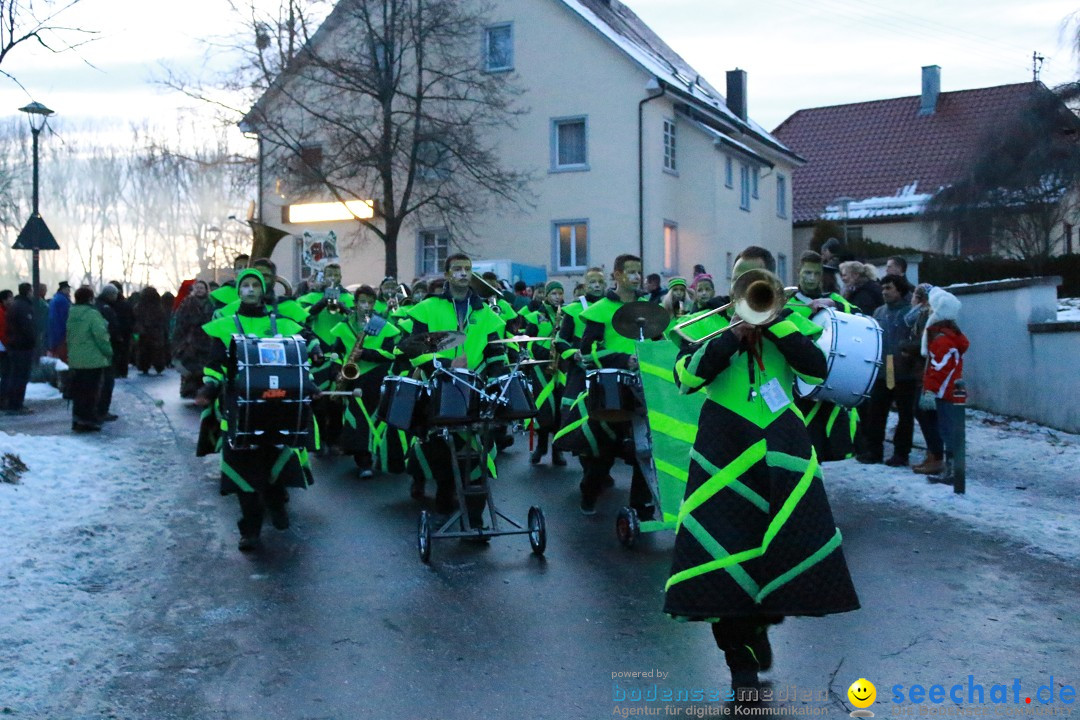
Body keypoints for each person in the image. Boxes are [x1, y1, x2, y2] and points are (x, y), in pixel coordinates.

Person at [664, 246, 859, 693]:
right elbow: (687, 378)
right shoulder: (709, 325)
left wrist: (777, 324)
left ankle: (760, 625)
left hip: (781, 450)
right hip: (723, 453)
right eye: (743, 278)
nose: (750, 286)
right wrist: (733, 336)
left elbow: (815, 369)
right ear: (732, 285)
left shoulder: (790, 320)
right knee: (721, 560)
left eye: (759, 278)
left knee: (782, 550)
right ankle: (739, 661)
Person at [196, 269, 320, 551]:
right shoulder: (226, 325)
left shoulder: (280, 323)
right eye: (245, 285)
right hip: (240, 408)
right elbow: (215, 365)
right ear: (238, 291)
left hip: (278, 407)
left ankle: (276, 504)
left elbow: (306, 340)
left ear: (263, 291)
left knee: (274, 460)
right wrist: (209, 387)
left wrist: (314, 355)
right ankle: (250, 529)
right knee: (245, 469)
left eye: (255, 285)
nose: (250, 290)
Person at [403, 253, 509, 516]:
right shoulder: (428, 307)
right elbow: (410, 345)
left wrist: (499, 377)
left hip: (475, 387)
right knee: (439, 444)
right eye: (457, 269)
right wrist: (442, 364)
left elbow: (496, 351)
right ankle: (443, 487)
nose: (463, 273)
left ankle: (475, 517)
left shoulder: (485, 312)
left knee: (480, 446)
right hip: (438, 385)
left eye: (468, 269)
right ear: (448, 275)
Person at [575, 253, 656, 518]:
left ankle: (641, 509)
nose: (637, 277)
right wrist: (623, 359)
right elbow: (587, 353)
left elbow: (661, 342)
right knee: (605, 451)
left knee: (645, 450)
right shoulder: (600, 311)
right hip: (610, 387)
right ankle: (589, 492)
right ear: (618, 275)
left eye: (639, 272)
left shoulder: (649, 307)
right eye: (631, 272)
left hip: (644, 386)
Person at [788, 251, 860, 460]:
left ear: (822, 276)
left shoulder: (833, 299)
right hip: (795, 381)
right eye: (807, 273)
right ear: (798, 272)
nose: (811, 278)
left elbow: (859, 315)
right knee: (799, 440)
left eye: (816, 274)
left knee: (825, 442)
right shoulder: (787, 301)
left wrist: (835, 306)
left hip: (828, 380)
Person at [329, 285, 400, 478]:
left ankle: (371, 459)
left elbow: (391, 354)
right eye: (362, 302)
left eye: (370, 302)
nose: (366, 306)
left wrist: (366, 353)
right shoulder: (344, 325)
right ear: (355, 303)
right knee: (355, 418)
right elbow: (337, 353)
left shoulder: (382, 325)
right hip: (351, 377)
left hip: (375, 376)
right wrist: (336, 371)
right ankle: (361, 458)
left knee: (372, 419)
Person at [858, 273, 917, 466]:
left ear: (900, 290)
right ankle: (874, 451)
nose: (884, 292)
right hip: (883, 369)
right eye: (883, 288)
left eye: (889, 288)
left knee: (905, 415)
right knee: (876, 413)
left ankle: (901, 453)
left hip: (905, 372)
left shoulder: (911, 312)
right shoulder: (879, 312)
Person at [919, 288, 969, 485]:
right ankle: (952, 470)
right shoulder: (948, 337)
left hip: (945, 394)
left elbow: (937, 369)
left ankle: (954, 472)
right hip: (948, 392)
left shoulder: (941, 340)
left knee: (949, 433)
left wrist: (930, 390)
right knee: (949, 432)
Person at [522, 280, 566, 467]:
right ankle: (541, 447)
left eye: (560, 293)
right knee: (543, 408)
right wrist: (543, 352)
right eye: (554, 294)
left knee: (560, 407)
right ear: (546, 295)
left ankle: (558, 450)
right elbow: (528, 341)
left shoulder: (567, 315)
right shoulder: (535, 316)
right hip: (541, 366)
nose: (557, 297)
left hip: (561, 367)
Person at [904, 283, 943, 474]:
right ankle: (932, 454)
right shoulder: (925, 315)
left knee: (925, 414)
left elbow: (924, 344)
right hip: (924, 371)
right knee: (924, 414)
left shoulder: (926, 316)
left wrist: (906, 347)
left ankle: (936, 457)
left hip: (927, 372)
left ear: (920, 299)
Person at [66, 286, 113, 432]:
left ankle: (77, 419)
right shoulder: (93, 314)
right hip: (92, 360)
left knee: (79, 392)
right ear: (90, 298)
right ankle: (88, 421)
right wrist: (108, 351)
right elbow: (101, 336)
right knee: (91, 393)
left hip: (76, 359)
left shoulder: (72, 313)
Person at [171, 280, 215, 399]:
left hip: (207, 340)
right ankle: (189, 390)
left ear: (206, 290)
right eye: (197, 288)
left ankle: (203, 391)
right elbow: (180, 321)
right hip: (190, 340)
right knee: (190, 367)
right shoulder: (186, 303)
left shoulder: (211, 304)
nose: (200, 290)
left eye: (202, 288)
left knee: (204, 367)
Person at [4, 284, 36, 415]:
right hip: (23, 347)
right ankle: (17, 404)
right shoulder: (24, 307)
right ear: (28, 291)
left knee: (15, 375)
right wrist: (33, 341)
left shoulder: (15, 305)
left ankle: (14, 403)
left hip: (15, 345)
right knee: (21, 376)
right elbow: (27, 328)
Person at [93, 285, 121, 422]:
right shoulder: (106, 309)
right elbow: (111, 329)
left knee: (101, 381)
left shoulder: (96, 306)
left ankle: (98, 410)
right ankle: (102, 411)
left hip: (96, 350)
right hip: (106, 349)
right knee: (107, 382)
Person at [134, 286, 169, 374]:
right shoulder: (159, 306)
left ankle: (144, 366)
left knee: (143, 350)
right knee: (158, 351)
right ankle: (159, 367)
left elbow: (136, 318)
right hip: (156, 332)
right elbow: (163, 319)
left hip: (144, 332)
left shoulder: (139, 306)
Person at [108, 281, 134, 378]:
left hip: (113, 332)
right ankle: (123, 371)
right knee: (124, 352)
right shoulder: (126, 304)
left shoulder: (108, 305)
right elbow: (132, 318)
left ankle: (115, 371)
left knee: (114, 352)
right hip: (125, 332)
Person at [47, 281, 72, 362]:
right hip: (62, 335)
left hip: (54, 334)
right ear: (63, 289)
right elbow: (65, 318)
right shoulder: (63, 301)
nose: (69, 292)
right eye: (68, 290)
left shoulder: (54, 299)